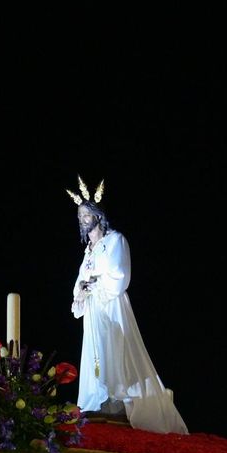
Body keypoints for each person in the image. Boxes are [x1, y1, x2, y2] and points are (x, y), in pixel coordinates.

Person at [67, 180, 187, 435]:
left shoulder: (115, 241)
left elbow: (119, 274)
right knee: (96, 352)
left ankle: (117, 398)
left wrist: (93, 284)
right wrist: (81, 292)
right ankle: (100, 397)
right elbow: (79, 282)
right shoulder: (88, 252)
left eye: (86, 214)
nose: (82, 220)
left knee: (114, 348)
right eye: (79, 216)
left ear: (98, 216)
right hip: (94, 311)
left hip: (111, 306)